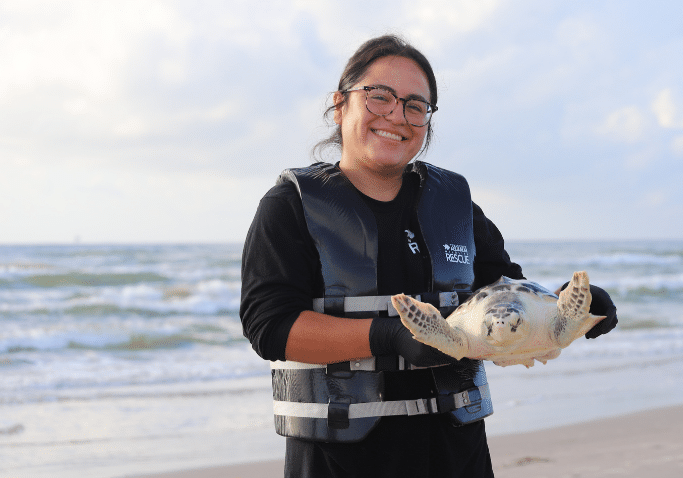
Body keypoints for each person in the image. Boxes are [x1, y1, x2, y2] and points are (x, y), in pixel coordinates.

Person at [240, 34, 618, 478]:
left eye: (415, 106)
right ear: (340, 106)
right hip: (337, 458)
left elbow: (504, 289)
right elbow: (269, 326)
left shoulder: (455, 207)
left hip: (456, 453)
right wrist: (389, 336)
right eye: (379, 97)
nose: (396, 116)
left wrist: (569, 306)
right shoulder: (290, 205)